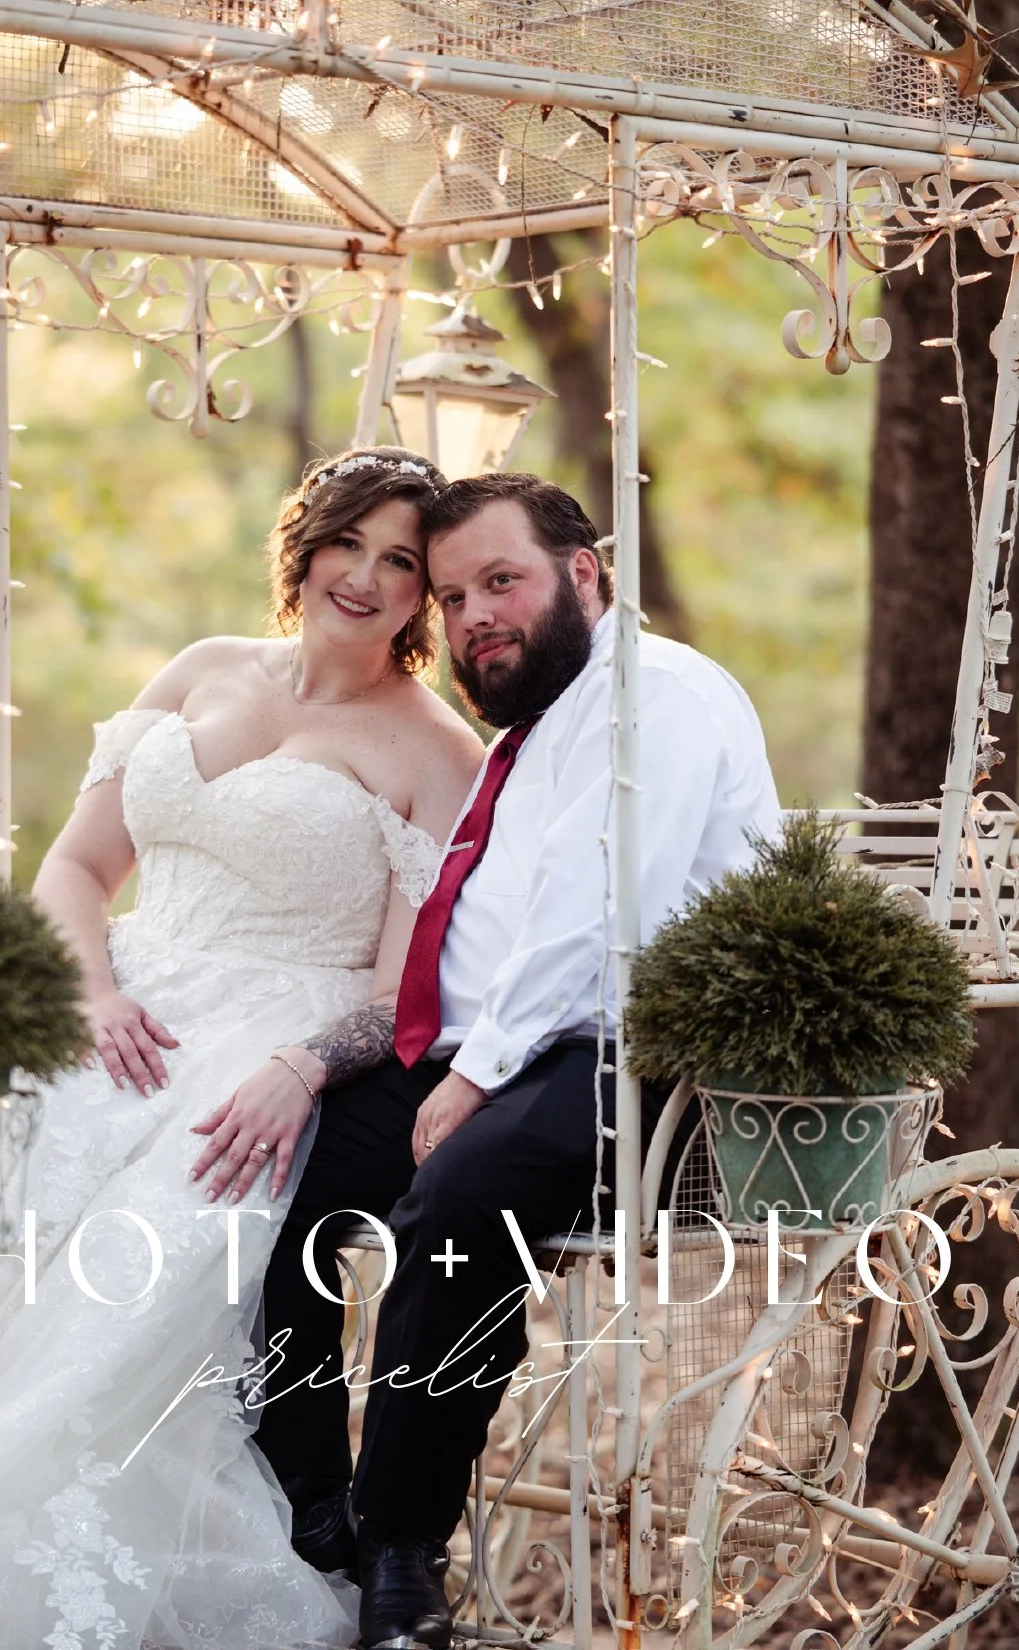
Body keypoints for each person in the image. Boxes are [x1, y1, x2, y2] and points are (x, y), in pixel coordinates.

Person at [246, 472, 782, 1650]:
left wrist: (472, 1076)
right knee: (274, 1165)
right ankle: (308, 1509)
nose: (475, 615)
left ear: (584, 573)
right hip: (502, 1052)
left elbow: (600, 919)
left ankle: (400, 1554)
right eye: (451, 596)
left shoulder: (661, 698)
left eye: (504, 580)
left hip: (651, 1064)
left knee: (463, 1194)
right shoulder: (539, 726)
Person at [0, 448, 485, 1650]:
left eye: (401, 562)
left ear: (425, 597)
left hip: (278, 1040)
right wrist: (94, 994)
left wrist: (300, 1067)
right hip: (125, 1003)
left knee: (157, 1258)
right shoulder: (203, 667)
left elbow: (404, 995)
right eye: (347, 543)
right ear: (303, 545)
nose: (363, 577)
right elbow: (74, 868)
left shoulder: (436, 751)